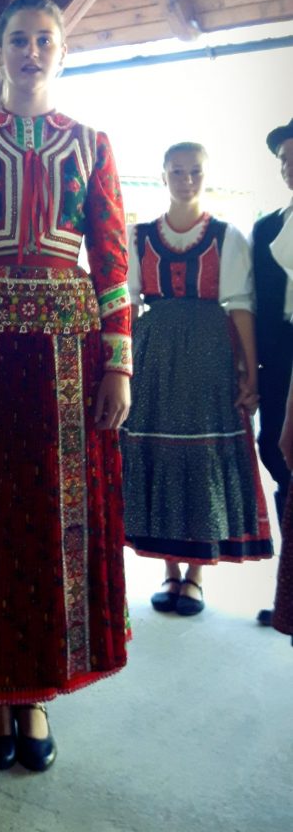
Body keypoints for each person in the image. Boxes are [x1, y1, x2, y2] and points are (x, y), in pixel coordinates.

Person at [0, 0, 132, 773]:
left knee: (48, 515)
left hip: (66, 357)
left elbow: (111, 257)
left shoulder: (92, 145)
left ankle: (35, 693)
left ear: (61, 52)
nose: (31, 51)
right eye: (19, 39)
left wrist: (119, 360)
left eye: (45, 39)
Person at [123, 142, 272, 617]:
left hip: (210, 355)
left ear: (206, 176)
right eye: (177, 171)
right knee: (161, 450)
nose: (186, 180)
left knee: (202, 455)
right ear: (163, 175)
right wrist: (119, 365)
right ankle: (169, 570)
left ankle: (196, 574)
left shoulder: (228, 237)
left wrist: (251, 374)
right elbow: (127, 305)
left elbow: (241, 307)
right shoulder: (139, 235)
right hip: (154, 356)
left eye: (195, 172)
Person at [252, 118, 293, 625]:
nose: (288, 167)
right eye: (283, 160)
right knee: (278, 455)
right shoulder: (266, 228)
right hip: (279, 357)